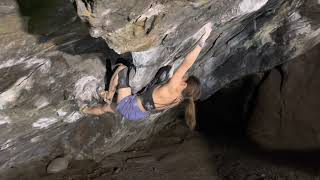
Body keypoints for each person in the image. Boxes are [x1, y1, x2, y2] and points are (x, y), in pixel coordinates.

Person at [82, 23, 212, 130]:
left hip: (129, 105)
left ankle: (108, 95)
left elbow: (186, 64)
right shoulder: (178, 99)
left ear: (184, 84)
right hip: (139, 114)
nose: (182, 77)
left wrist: (202, 41)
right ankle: (85, 110)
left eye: (184, 78)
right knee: (105, 109)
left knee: (122, 69)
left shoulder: (173, 87)